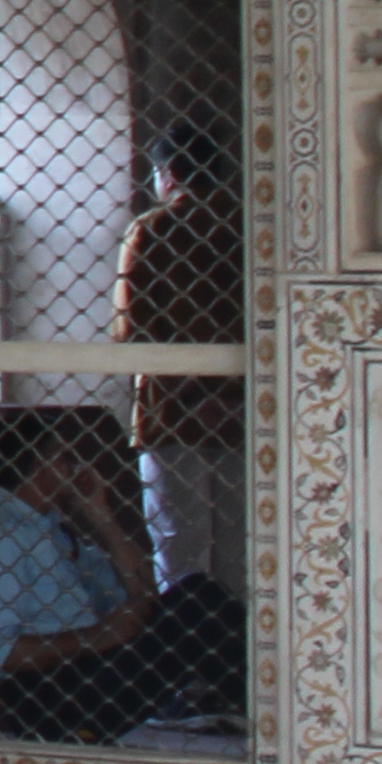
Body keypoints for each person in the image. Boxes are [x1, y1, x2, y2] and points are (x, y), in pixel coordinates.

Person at [0, 404, 244, 744]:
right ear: (40, 467)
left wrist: (104, 520)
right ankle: (269, 701)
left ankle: (259, 698)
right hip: (45, 693)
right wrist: (98, 637)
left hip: (91, 666)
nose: (75, 467)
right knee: (198, 608)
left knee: (196, 595)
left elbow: (140, 598)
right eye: (64, 457)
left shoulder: (53, 529)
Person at [114, 122, 245, 608]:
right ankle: (239, 663)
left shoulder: (152, 230)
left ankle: (188, 662)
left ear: (168, 175)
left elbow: (130, 330)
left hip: (173, 414)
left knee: (179, 549)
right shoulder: (247, 229)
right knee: (240, 546)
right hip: (243, 411)